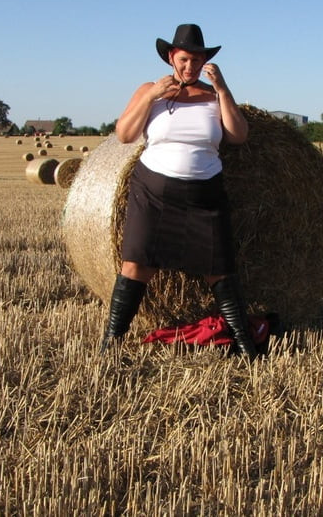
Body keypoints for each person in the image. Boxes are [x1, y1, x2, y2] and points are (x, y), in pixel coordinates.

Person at [101, 23, 258, 359]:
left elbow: (239, 135)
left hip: (205, 196)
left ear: (205, 62)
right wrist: (151, 95)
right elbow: (125, 135)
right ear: (172, 57)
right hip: (153, 194)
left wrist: (223, 89)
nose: (190, 67)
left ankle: (246, 347)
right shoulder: (149, 90)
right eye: (185, 59)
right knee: (136, 265)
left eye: (197, 61)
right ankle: (111, 344)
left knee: (219, 268)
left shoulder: (213, 95)